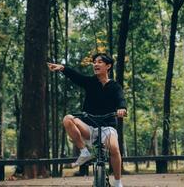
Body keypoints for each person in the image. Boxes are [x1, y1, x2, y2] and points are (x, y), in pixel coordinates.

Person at [47, 53, 126, 187]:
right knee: (68, 119)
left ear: (108, 66)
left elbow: (121, 99)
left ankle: (118, 182)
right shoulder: (90, 82)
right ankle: (84, 152)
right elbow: (76, 76)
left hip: (107, 127)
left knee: (114, 148)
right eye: (94, 62)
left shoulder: (114, 86)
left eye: (100, 62)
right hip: (89, 126)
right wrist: (62, 68)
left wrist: (122, 108)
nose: (95, 64)